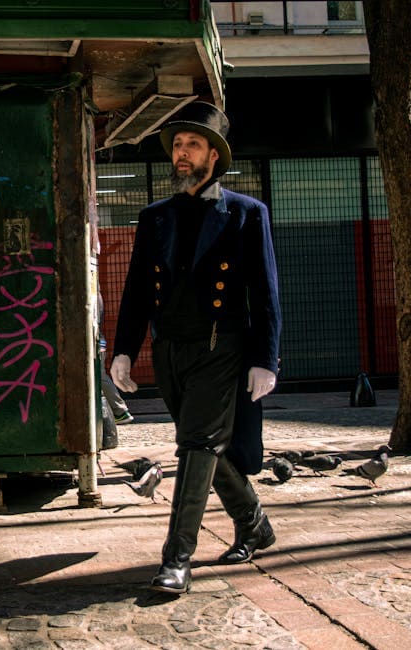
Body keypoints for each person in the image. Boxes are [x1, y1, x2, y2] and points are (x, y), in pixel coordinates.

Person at [109, 101, 281, 594]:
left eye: (193, 145)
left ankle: (176, 560)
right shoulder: (154, 216)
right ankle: (254, 523)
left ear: (214, 156)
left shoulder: (247, 214)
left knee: (197, 445)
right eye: (178, 145)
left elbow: (265, 293)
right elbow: (138, 288)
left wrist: (265, 359)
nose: (182, 154)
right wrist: (123, 350)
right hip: (170, 352)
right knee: (205, 446)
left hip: (221, 349)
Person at [98, 291, 133, 428]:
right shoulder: (97, 294)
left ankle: (120, 410)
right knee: (99, 375)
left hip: (96, 340)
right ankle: (119, 411)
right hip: (99, 339)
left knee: (99, 376)